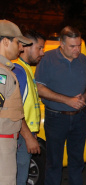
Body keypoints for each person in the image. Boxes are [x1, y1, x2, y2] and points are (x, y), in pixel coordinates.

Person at [35, 26, 86, 185]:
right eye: (72, 46)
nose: (77, 50)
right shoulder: (47, 58)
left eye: (79, 45)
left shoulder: (83, 60)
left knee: (77, 161)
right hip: (55, 118)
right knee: (54, 163)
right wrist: (67, 100)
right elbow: (40, 89)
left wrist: (84, 96)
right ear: (61, 44)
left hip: (79, 118)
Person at [0, 19, 32, 185]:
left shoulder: (5, 70)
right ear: (5, 41)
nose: (21, 48)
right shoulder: (1, 74)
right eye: (18, 42)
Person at [13, 30, 46, 185]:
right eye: (39, 48)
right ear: (25, 46)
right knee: (18, 178)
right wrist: (28, 137)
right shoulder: (18, 70)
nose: (43, 52)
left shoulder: (26, 69)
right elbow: (14, 109)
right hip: (20, 136)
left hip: (23, 134)